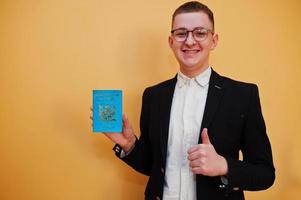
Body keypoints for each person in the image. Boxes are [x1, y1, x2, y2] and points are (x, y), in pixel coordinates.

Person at [101, 1, 275, 199]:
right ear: (171, 41)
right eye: (181, 33)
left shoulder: (243, 95)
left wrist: (224, 166)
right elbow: (154, 167)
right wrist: (130, 145)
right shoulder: (153, 96)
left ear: (214, 40)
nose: (190, 41)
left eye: (200, 33)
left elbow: (265, 174)